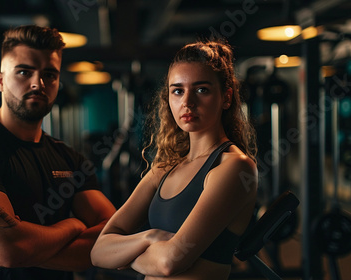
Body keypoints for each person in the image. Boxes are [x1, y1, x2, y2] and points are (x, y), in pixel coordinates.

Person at [0, 25, 116, 280]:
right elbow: (7, 251)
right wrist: (72, 226)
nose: (38, 83)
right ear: (0, 80)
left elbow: (113, 234)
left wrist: (28, 249)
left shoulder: (70, 158)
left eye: (50, 74)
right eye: (24, 72)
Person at [90, 39, 258, 279]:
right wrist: (150, 237)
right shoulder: (165, 168)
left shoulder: (234, 167)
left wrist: (125, 255)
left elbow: (171, 261)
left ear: (227, 98)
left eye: (202, 90)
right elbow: (98, 252)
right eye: (178, 91)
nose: (187, 102)